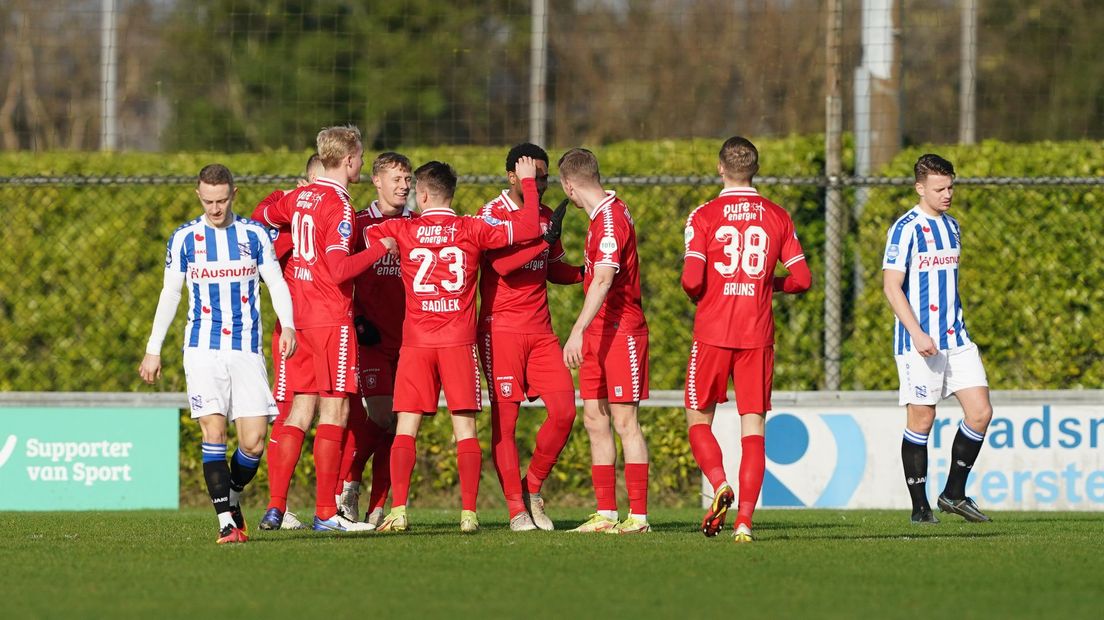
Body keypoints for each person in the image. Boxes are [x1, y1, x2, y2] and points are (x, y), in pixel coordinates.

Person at [365, 159, 542, 533]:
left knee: (406, 430)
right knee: (465, 430)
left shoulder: (403, 228)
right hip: (458, 343)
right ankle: (468, 514)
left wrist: (390, 245)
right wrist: (527, 181)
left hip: (417, 344)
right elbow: (528, 226)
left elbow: (367, 237)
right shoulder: (473, 228)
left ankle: (398, 510)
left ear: (423, 194)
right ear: (451, 193)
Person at [139, 163, 298, 544]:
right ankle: (226, 521)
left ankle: (233, 496)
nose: (215, 208)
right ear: (199, 196)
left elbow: (276, 282)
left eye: (222, 200)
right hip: (202, 350)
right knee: (213, 430)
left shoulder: (254, 235)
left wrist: (288, 324)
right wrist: (153, 349)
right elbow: (171, 294)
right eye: (208, 201)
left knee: (253, 442)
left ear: (234, 195)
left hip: (245, 349)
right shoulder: (183, 239)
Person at [253, 125, 396, 533]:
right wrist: (378, 249)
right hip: (330, 318)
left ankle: (276, 507)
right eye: (361, 157)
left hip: (295, 320)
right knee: (336, 408)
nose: (363, 163)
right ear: (349, 159)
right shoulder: (340, 205)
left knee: (300, 410)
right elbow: (337, 270)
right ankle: (324, 512)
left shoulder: (300, 196)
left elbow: (263, 212)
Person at [681, 137, 811, 543]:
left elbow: (691, 280)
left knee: (698, 419)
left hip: (713, 332)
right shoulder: (777, 215)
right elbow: (803, 279)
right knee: (752, 427)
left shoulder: (703, 215)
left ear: (721, 167)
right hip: (757, 334)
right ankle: (744, 524)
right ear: (755, 169)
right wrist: (766, 284)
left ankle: (719, 484)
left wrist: (702, 293)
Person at [882, 153, 993, 524]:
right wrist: (916, 332)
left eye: (950, 187)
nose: (947, 194)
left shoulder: (953, 226)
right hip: (919, 342)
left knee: (980, 413)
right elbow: (891, 286)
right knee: (922, 420)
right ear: (920, 188)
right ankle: (920, 508)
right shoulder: (905, 229)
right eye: (940, 188)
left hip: (957, 337)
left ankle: (954, 493)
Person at [477, 143, 581, 531]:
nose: (539, 183)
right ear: (512, 177)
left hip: (540, 332)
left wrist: (590, 272)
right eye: (531, 177)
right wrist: (542, 240)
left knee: (565, 411)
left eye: (543, 176)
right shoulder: (492, 214)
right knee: (506, 421)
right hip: (500, 330)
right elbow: (502, 265)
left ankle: (531, 487)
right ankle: (515, 510)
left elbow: (552, 269)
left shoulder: (545, 214)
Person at [559, 148, 651, 535]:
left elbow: (603, 279)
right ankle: (606, 513)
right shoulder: (601, 217)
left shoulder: (611, 220)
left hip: (622, 330)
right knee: (595, 419)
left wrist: (577, 329)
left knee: (625, 420)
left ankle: (640, 517)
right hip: (599, 330)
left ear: (569, 187)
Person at [335, 151, 416, 527]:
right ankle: (348, 483)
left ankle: (379, 505)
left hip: (412, 340)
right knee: (382, 416)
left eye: (407, 179)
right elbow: (339, 270)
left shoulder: (419, 224)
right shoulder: (358, 223)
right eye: (396, 179)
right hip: (370, 338)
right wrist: (355, 318)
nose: (403, 186)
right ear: (377, 181)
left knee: (399, 424)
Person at [252, 153, 325, 530]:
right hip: (294, 334)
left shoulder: (335, 213)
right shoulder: (285, 229)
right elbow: (259, 220)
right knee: (290, 414)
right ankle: (276, 504)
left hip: (328, 329)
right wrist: (284, 206)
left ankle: (335, 502)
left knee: (337, 414)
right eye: (313, 185)